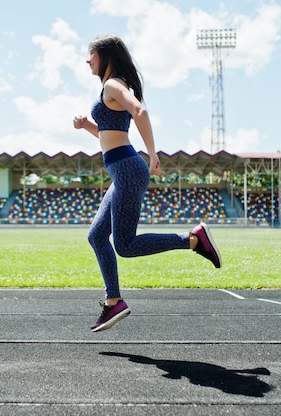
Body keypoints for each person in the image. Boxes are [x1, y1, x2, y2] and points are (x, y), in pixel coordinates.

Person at [73, 35, 221, 333]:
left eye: (90, 55)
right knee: (97, 236)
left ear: (104, 55)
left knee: (124, 245)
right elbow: (109, 136)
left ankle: (193, 240)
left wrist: (153, 154)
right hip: (120, 168)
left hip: (128, 168)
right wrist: (88, 126)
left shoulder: (114, 84)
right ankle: (114, 301)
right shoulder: (110, 87)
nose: (87, 61)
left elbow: (140, 111)